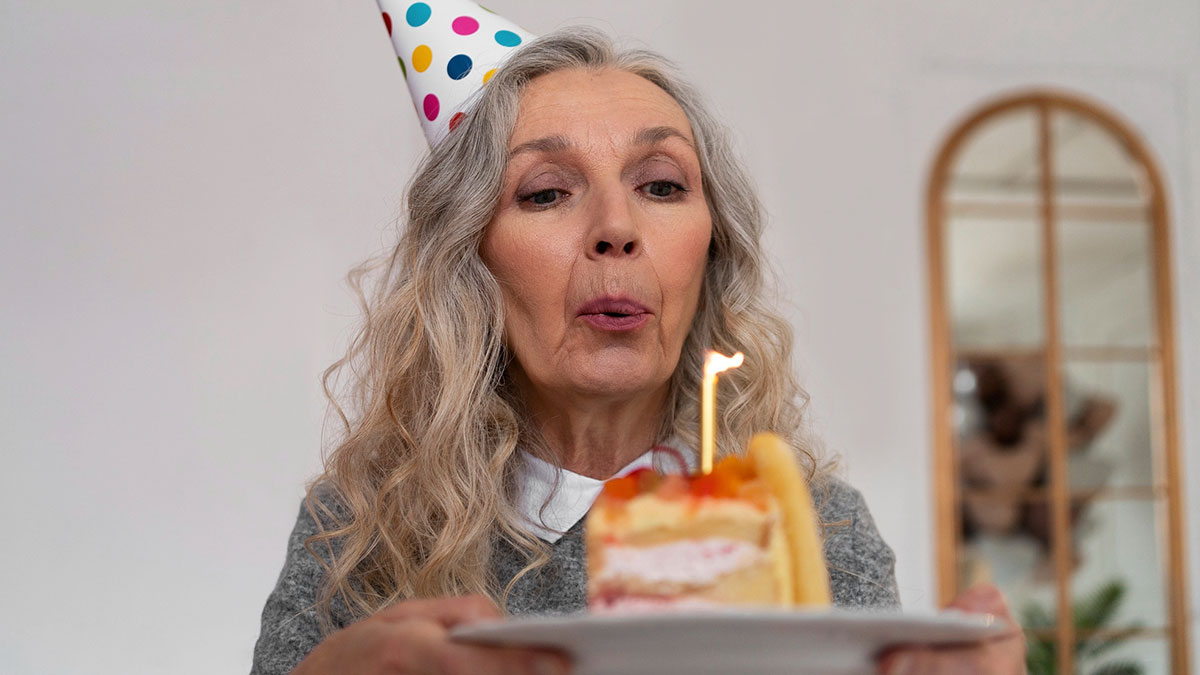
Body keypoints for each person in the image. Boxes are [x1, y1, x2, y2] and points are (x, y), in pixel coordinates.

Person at [252, 19, 1025, 675]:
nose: (616, 227)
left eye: (660, 185)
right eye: (545, 192)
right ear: (471, 259)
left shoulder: (820, 530)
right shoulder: (355, 533)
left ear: (711, 250)